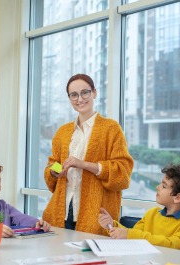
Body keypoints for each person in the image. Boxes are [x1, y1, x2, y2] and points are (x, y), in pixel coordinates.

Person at [43, 73, 134, 235]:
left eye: (85, 92)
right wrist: (56, 170)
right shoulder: (62, 132)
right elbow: (52, 163)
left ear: (94, 93)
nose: (80, 99)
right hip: (61, 211)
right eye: (74, 95)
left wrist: (83, 164)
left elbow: (122, 173)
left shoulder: (111, 129)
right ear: (69, 98)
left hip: (96, 214)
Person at [98, 164, 180, 255]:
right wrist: (112, 225)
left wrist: (128, 234)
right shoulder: (152, 214)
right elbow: (134, 234)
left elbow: (171, 245)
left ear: (177, 198)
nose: (157, 187)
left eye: (164, 186)